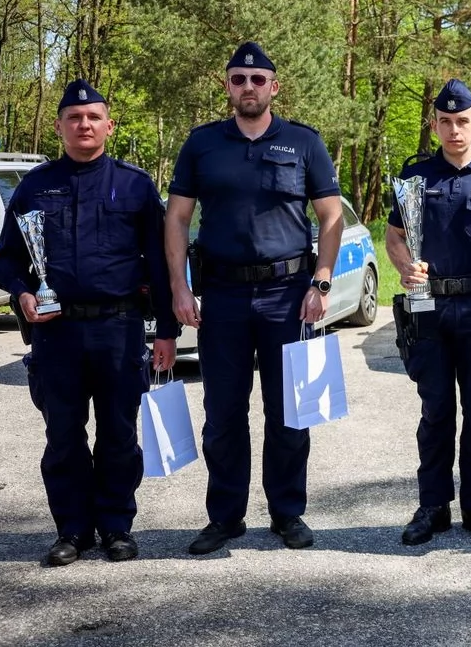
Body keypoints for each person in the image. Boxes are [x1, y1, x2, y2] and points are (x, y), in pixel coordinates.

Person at [164, 41, 344, 555]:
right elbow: (176, 218)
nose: (248, 88)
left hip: (289, 294)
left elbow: (330, 216)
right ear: (228, 87)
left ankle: (288, 513)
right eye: (239, 80)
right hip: (221, 295)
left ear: (273, 87)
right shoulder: (202, 144)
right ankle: (225, 517)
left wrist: (321, 279)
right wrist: (180, 285)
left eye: (257, 80)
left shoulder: (304, 143)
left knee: (290, 411)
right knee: (223, 413)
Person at [0, 79, 178, 566]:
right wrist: (23, 293)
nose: (84, 124)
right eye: (74, 118)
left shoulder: (135, 186)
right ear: (59, 127)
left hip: (119, 329)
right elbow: (7, 259)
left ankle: (116, 526)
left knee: (119, 433)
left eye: (93, 117)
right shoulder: (35, 186)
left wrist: (167, 333)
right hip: (57, 333)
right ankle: (72, 529)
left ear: (109, 126)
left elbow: (159, 263)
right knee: (63, 435)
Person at [386, 79, 471, 546]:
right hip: (428, 311)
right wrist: (406, 267)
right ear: (435, 126)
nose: (453, 130)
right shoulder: (414, 179)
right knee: (436, 410)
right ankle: (433, 506)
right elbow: (393, 238)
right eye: (445, 122)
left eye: (462, 121)